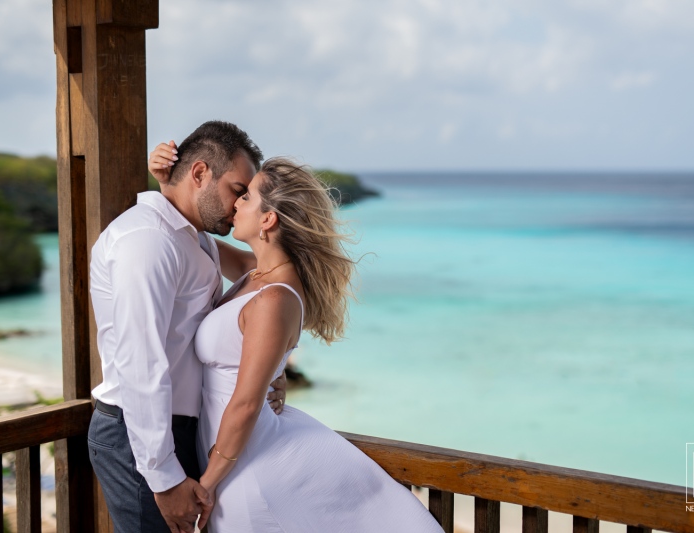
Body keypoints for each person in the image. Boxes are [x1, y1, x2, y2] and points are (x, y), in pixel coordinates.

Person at [148, 145, 445, 532]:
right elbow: (188, 235)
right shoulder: (255, 272)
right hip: (233, 456)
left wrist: (207, 484)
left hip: (246, 466)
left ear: (268, 218)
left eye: (247, 196)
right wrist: (169, 184)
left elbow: (246, 403)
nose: (236, 203)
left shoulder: (275, 298)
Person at [88, 120, 288, 533]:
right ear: (200, 173)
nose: (238, 206)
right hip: (140, 434)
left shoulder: (194, 239)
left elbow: (266, 277)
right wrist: (163, 479)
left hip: (178, 429)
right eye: (238, 190)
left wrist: (277, 363)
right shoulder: (147, 241)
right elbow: (141, 365)